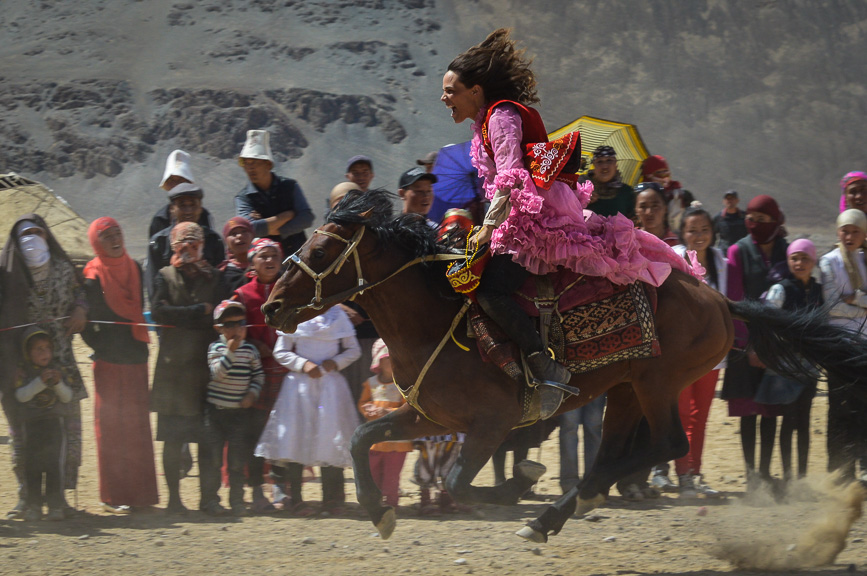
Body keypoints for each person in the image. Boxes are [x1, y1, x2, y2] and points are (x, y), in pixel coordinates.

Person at [443, 29, 693, 418]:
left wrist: (488, 229)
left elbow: (510, 179)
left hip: (535, 211)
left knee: (492, 291)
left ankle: (545, 365)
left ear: (475, 91)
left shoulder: (501, 117)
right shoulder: (486, 121)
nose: (444, 99)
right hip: (522, 208)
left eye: (451, 91)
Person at [0, 215, 89, 520]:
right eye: (26, 234)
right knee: (22, 432)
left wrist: (81, 308)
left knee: (66, 429)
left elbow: (83, 292)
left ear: (48, 236)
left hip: (60, 358)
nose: (33, 238)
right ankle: (27, 497)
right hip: (18, 364)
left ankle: (60, 498)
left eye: (38, 232)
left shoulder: (65, 270)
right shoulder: (6, 273)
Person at [150, 222, 230, 515]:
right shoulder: (163, 276)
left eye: (194, 244)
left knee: (208, 438)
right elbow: (159, 312)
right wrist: (198, 312)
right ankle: (173, 501)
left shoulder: (216, 277)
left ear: (202, 246)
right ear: (173, 247)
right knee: (173, 439)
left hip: (207, 369)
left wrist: (188, 316)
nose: (188, 249)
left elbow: (221, 314)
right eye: (182, 245)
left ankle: (209, 498)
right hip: (173, 372)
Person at [81, 217, 159, 514]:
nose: (115, 240)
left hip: (136, 357)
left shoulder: (135, 268)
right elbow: (87, 325)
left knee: (137, 427)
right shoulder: (92, 275)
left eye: (118, 233)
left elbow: (136, 309)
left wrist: (137, 348)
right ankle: (114, 495)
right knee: (112, 428)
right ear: (97, 243)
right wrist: (101, 348)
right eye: (107, 237)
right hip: (109, 362)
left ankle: (142, 495)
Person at [255, 306, 361, 516]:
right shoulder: (294, 314)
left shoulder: (337, 316)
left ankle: (332, 498)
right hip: (300, 387)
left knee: (331, 437)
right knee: (297, 438)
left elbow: (354, 350)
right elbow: (281, 351)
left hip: (330, 386)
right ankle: (296, 498)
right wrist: (302, 364)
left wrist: (335, 362)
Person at [722, 194, 789, 490]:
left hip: (776, 343)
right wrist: (750, 346)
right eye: (751, 218)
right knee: (749, 410)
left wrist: (772, 344)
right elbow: (735, 301)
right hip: (745, 344)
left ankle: (764, 472)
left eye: (762, 220)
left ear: (775, 221)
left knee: (770, 408)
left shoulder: (787, 252)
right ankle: (751, 475)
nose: (754, 224)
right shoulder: (739, 251)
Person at [671, 204, 727, 498]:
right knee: (681, 414)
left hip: (712, 354)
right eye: (693, 230)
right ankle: (682, 475)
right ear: (683, 233)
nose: (699, 235)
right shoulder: (675, 260)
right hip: (681, 355)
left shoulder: (721, 260)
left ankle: (695, 471)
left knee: (700, 416)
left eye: (704, 229)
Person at [233, 238, 289, 512]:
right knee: (255, 434)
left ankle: (280, 486)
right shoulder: (242, 295)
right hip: (255, 376)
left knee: (282, 431)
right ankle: (255, 489)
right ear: (252, 262)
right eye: (263, 257)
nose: (269, 261)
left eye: (274, 257)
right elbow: (232, 331)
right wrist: (255, 345)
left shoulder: (291, 290)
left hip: (287, 375)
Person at [765, 239, 823, 482]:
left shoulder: (819, 290)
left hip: (809, 365)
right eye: (795, 258)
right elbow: (768, 323)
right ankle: (789, 477)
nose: (799, 263)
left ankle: (801, 477)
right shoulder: (781, 289)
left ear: (813, 262)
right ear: (788, 261)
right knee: (789, 420)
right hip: (786, 366)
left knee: (804, 422)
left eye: (805, 259)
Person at [202, 300, 264, 517]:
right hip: (216, 413)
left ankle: (237, 500)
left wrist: (252, 393)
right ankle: (210, 500)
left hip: (240, 413)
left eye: (240, 323)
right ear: (218, 328)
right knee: (214, 460)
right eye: (229, 325)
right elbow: (217, 373)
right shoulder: (216, 348)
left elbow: (258, 375)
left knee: (237, 461)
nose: (236, 329)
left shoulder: (250, 350)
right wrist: (230, 352)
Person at [819, 209, 867, 484]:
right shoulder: (829, 263)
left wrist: (855, 300)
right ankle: (840, 470)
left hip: (864, 345)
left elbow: (847, 301)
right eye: (845, 231)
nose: (849, 236)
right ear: (838, 232)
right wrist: (861, 305)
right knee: (839, 408)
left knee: (864, 406)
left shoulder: (865, 260)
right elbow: (831, 306)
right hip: (839, 345)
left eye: (855, 232)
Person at [14, 327, 74, 521]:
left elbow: (67, 397)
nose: (44, 353)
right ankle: (34, 506)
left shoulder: (58, 370)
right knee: (32, 466)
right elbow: (21, 396)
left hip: (54, 425)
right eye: (38, 349)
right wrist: (39, 382)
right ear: (27, 352)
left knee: (54, 466)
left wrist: (57, 383)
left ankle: (56, 506)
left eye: (47, 348)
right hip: (31, 425)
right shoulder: (23, 372)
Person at [234, 129, 315, 256]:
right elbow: (250, 228)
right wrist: (288, 215)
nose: (250, 168)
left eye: (254, 162)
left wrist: (274, 228)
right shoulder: (243, 198)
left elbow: (306, 218)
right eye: (246, 163)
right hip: (265, 262)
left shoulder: (290, 186)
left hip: (298, 256)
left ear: (267, 164)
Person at [357, 339, 411, 508]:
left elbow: (407, 409)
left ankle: (392, 503)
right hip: (374, 440)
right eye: (388, 358)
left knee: (392, 474)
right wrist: (367, 409)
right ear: (378, 361)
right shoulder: (371, 383)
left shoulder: (403, 385)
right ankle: (373, 502)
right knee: (372, 471)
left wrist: (386, 412)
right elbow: (362, 402)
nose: (392, 362)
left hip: (396, 441)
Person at [146, 183, 225, 297]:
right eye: (182, 205)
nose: (188, 211)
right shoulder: (159, 242)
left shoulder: (213, 240)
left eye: (193, 205)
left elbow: (220, 282)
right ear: (172, 209)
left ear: (200, 208)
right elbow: (153, 286)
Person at [148, 150, 214, 238]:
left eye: (181, 180)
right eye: (172, 181)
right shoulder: (160, 219)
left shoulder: (203, 215)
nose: (176, 185)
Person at [557, 396, 605, 494]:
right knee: (570, 428)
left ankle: (591, 481)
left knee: (592, 428)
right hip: (572, 383)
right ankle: (570, 482)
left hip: (596, 383)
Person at [641, 154, 694, 234]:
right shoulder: (640, 197)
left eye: (665, 172)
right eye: (659, 173)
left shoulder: (680, 194)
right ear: (649, 175)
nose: (664, 177)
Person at [584, 146, 635, 219]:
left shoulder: (627, 192)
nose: (604, 166)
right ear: (594, 166)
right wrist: (582, 201)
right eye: (599, 162)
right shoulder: (582, 190)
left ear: (616, 165)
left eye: (609, 160)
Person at [634, 182, 680, 246]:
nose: (649, 212)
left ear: (665, 208)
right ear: (636, 210)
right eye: (643, 207)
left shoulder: (677, 242)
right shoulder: (629, 239)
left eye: (655, 206)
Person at [218, 216, 255, 290]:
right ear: (226, 242)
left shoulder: (264, 266)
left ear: (253, 236)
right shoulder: (222, 273)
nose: (240, 236)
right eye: (233, 234)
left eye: (244, 231)